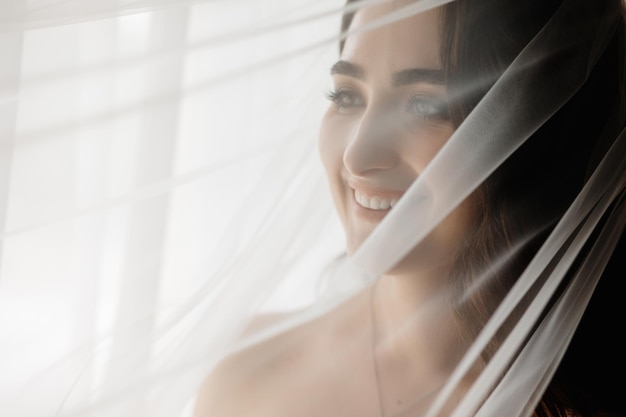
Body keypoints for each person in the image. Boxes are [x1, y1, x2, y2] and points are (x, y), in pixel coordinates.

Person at [193, 0, 626, 416]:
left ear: (531, 129)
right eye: (346, 95)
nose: (356, 156)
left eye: (426, 106)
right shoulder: (247, 368)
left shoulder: (582, 405)